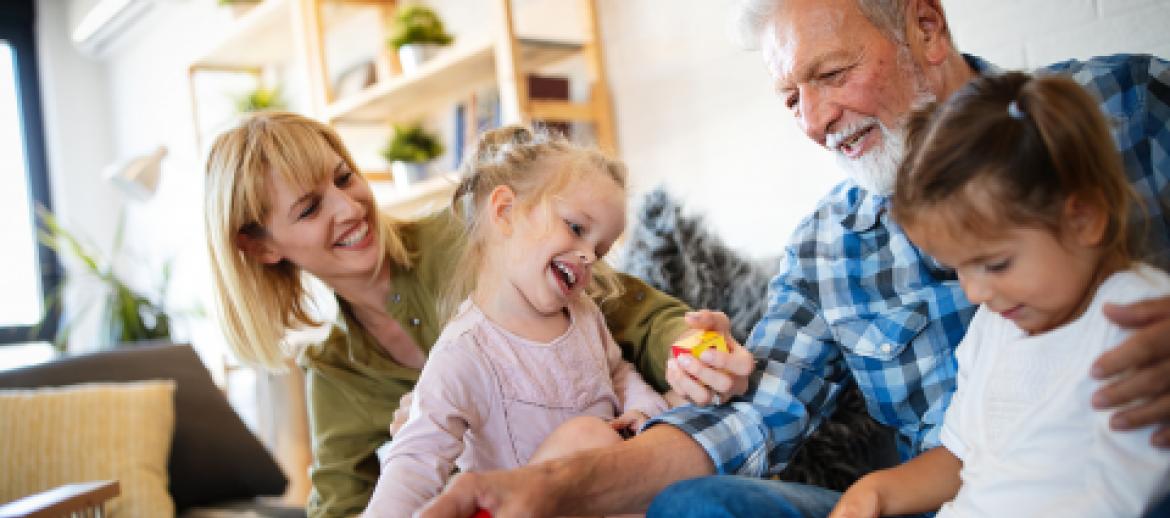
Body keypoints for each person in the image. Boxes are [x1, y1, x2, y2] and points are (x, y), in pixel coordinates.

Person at [418, 1, 1170, 516]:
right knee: (696, 506)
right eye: (789, 98)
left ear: (926, 27)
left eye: (833, 74)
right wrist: (552, 489)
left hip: (1117, 481)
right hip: (942, 500)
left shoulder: (1123, 103)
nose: (813, 122)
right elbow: (751, 421)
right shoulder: (828, 245)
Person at [202, 112, 738, 518]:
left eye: (343, 178)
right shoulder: (336, 370)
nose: (349, 208)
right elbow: (355, 500)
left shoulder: (478, 230)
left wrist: (693, 348)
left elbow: (633, 314)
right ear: (260, 246)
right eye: (309, 208)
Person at [829, 71, 1170, 517]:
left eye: (995, 264)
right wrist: (875, 490)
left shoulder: (1137, 320)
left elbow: (1116, 497)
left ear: (1085, 218)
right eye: (959, 268)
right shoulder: (997, 325)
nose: (974, 292)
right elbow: (961, 456)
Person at [363, 126, 670, 515]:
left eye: (601, 249)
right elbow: (416, 458)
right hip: (524, 507)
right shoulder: (467, 351)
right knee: (588, 438)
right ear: (505, 211)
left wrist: (646, 412)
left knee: (671, 429)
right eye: (576, 228)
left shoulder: (584, 315)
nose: (588, 256)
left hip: (600, 496)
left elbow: (618, 372)